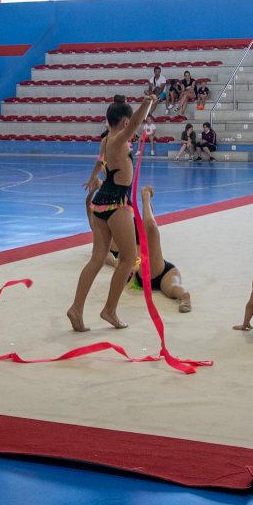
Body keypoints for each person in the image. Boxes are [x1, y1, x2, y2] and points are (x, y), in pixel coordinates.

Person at [70, 94, 157, 332]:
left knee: (98, 258)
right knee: (128, 259)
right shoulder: (119, 140)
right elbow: (138, 121)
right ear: (125, 122)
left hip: (100, 203)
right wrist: (147, 104)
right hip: (117, 203)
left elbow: (101, 161)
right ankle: (109, 309)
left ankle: (76, 309)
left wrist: (92, 178)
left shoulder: (107, 139)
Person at [131, 186, 191, 312]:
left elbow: (150, 226)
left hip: (163, 271)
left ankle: (184, 297)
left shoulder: (139, 234)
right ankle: (146, 198)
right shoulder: (134, 240)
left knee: (173, 288)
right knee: (170, 288)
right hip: (153, 272)